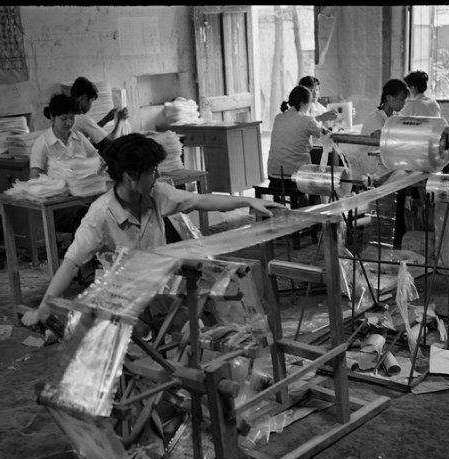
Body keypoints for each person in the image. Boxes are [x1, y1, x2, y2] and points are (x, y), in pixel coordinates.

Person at [21, 133, 285, 328]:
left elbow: (199, 200)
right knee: (152, 347)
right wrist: (44, 307)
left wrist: (248, 201)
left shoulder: (155, 193)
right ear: (130, 176)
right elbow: (72, 262)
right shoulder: (100, 215)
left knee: (211, 309)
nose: (157, 176)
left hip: (161, 286)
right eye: (151, 171)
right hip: (123, 298)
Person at [29, 93, 100, 236]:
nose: (68, 123)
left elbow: (97, 161)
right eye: (63, 119)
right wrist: (57, 185)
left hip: (82, 196)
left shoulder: (78, 137)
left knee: (106, 210)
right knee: (85, 216)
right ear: (52, 117)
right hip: (56, 205)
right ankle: (80, 250)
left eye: (72, 118)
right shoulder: (42, 143)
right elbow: (33, 179)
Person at [70, 76, 129, 156]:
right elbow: (110, 143)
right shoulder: (82, 119)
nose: (91, 105)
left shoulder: (69, 116)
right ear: (83, 98)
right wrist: (121, 120)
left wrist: (106, 119)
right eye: (91, 101)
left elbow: (92, 131)